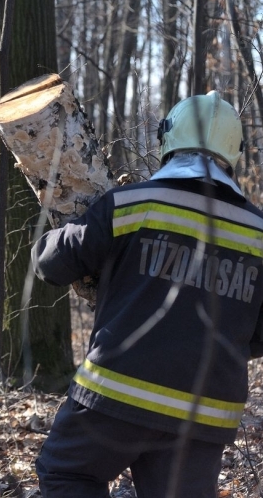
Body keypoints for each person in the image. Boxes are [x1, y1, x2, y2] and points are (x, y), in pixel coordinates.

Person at [30, 90, 263, 497]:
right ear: (234, 151)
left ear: (166, 139)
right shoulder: (259, 234)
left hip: (115, 393)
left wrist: (50, 238)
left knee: (69, 473)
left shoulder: (130, 205)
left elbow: (53, 264)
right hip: (205, 410)